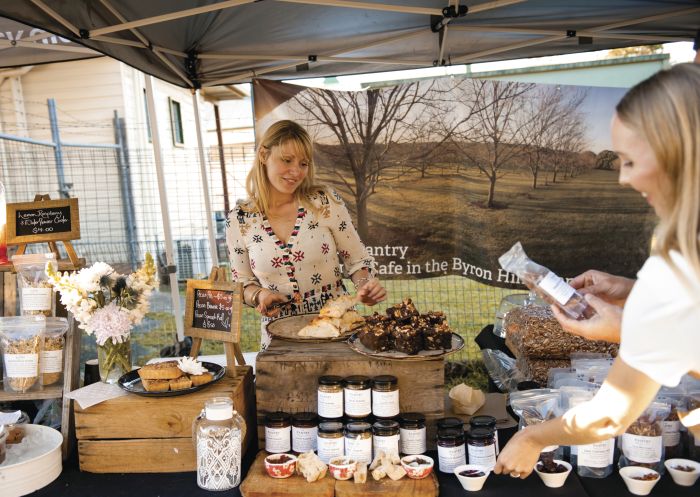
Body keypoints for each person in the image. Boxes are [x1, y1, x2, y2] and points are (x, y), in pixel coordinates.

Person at [495, 63, 700, 478]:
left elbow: (609, 417)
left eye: (629, 159)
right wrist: (631, 292)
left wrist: (531, 438)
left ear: (674, 152)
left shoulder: (676, 266)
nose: (623, 178)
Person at [226, 120, 386, 349]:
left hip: (337, 328)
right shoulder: (240, 219)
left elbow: (357, 260)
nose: (296, 171)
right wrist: (259, 295)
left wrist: (365, 285)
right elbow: (242, 282)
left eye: (303, 163)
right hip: (279, 337)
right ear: (263, 155)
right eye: (287, 160)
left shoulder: (324, 201)